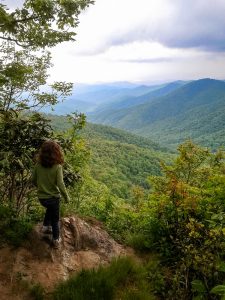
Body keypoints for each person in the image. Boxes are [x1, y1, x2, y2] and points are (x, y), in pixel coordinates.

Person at [32, 140, 70, 248]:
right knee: (55, 219)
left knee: (50, 209)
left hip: (42, 198)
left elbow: (33, 180)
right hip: (53, 198)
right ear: (57, 152)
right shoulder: (57, 167)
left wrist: (41, 188)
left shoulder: (38, 165)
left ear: (43, 152)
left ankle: (45, 227)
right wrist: (66, 197)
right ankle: (56, 239)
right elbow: (60, 184)